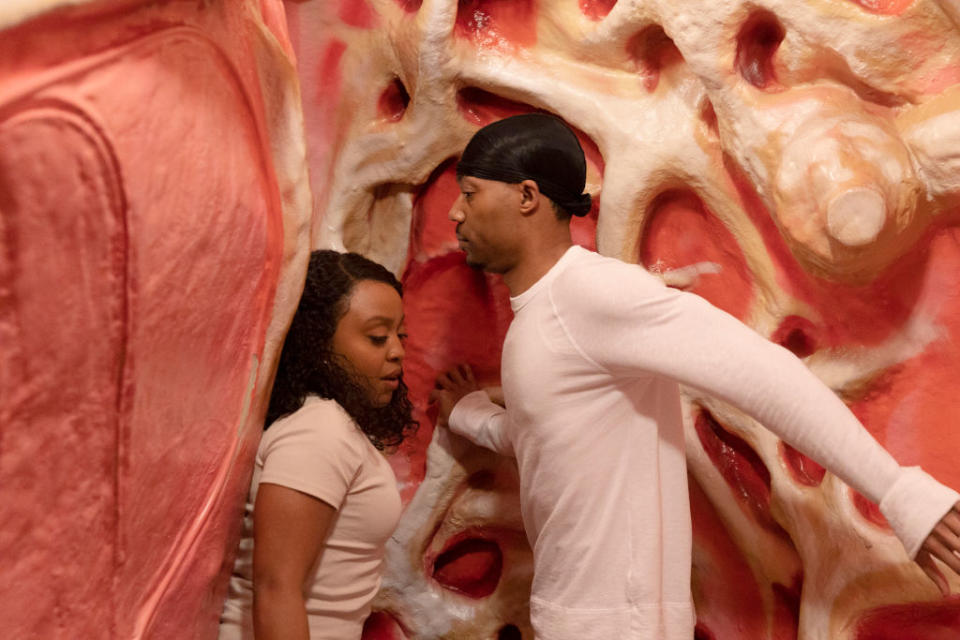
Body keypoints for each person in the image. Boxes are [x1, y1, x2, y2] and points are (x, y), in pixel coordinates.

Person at [431, 113, 960, 639]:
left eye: (471, 192)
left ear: (527, 196)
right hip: (566, 619)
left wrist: (899, 494)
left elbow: (764, 373)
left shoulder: (591, 294)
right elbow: (542, 437)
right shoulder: (545, 316)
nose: (455, 211)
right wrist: (469, 415)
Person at [219, 250, 416, 640]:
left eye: (400, 334)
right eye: (378, 337)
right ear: (318, 343)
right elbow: (277, 589)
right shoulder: (320, 430)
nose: (397, 351)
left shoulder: (333, 425)